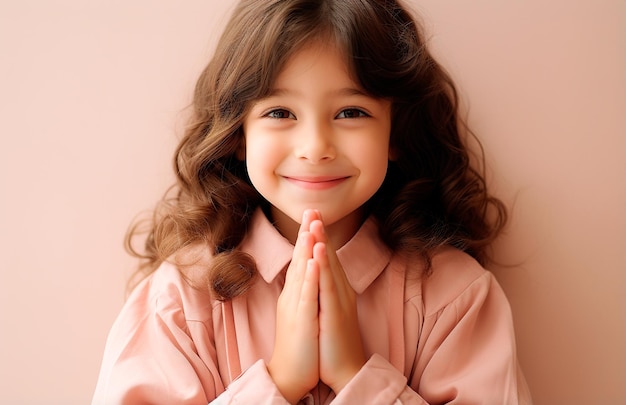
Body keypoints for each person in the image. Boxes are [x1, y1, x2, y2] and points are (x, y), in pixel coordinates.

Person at [93, 0, 532, 403]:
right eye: (280, 113)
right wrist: (280, 381)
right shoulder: (180, 299)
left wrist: (355, 374)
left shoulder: (455, 297)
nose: (315, 146)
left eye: (351, 112)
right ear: (238, 135)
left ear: (395, 133)